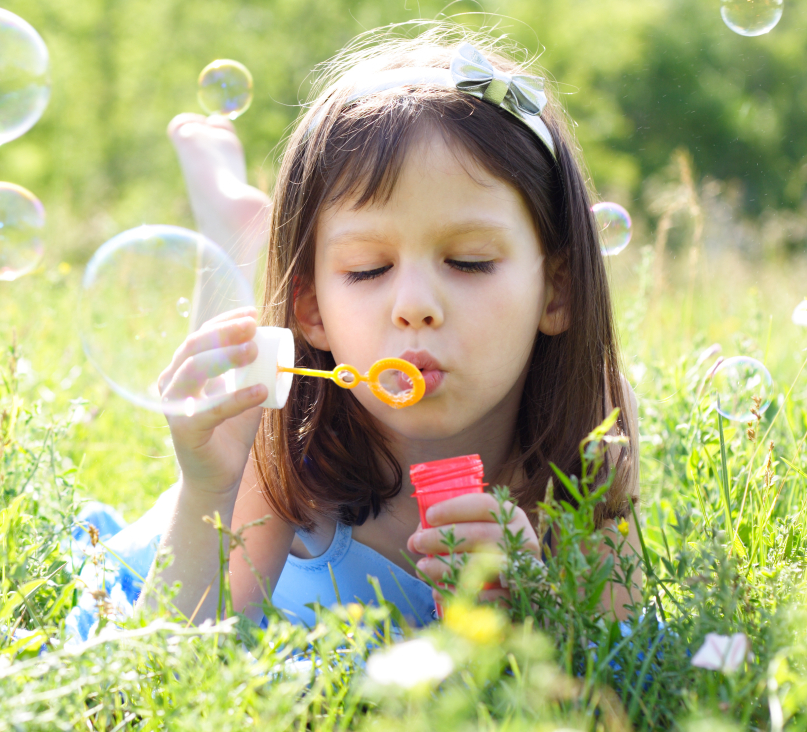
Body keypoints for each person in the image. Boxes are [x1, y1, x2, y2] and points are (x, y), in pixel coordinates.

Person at [69, 23, 641, 640]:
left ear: (557, 290)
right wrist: (207, 487)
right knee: (237, 338)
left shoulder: (595, 421)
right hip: (241, 550)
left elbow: (619, 657)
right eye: (369, 269)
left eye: (469, 261)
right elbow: (179, 656)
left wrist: (534, 605)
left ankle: (247, 224)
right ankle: (236, 227)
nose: (415, 306)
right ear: (313, 311)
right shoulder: (284, 426)